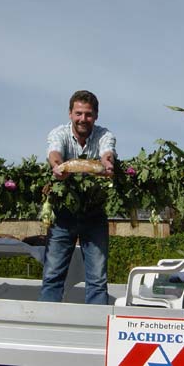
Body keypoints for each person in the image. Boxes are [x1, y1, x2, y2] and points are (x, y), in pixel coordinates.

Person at [39, 90, 116, 305]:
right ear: (70, 114)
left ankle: (97, 328)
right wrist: (57, 166)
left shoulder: (104, 134)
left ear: (96, 116)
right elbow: (54, 153)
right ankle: (45, 323)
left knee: (98, 278)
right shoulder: (59, 133)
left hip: (95, 214)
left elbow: (107, 152)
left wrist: (108, 163)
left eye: (88, 114)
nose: (83, 119)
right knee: (52, 275)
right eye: (79, 113)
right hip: (63, 215)